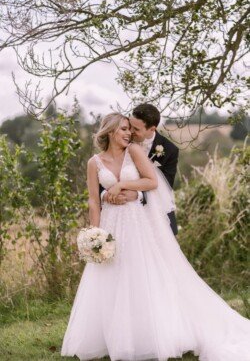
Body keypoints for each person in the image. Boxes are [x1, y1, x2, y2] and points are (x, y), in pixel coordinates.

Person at [61, 113, 250, 361]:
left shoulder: (135, 152)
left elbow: (152, 182)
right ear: (109, 132)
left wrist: (121, 187)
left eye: (130, 129)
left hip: (137, 224)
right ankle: (114, 337)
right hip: (111, 223)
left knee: (142, 275)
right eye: (123, 129)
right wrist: (95, 233)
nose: (128, 133)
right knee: (110, 277)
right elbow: (93, 200)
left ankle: (151, 335)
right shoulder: (94, 162)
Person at [102, 103, 179, 235]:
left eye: (136, 129)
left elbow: (165, 186)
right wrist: (105, 195)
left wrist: (139, 195)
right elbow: (104, 171)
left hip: (157, 215)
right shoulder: (121, 140)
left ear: (152, 129)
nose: (130, 132)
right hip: (122, 213)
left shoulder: (170, 150)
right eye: (130, 126)